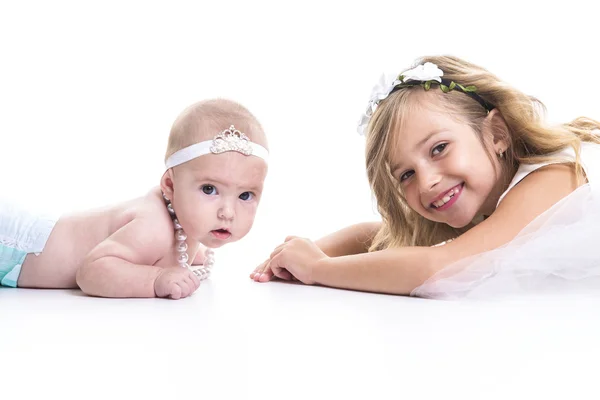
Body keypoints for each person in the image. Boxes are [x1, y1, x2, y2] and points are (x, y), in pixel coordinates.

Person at [250, 55, 600, 299]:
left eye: (438, 149)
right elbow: (379, 237)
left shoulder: (555, 176)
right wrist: (308, 254)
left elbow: (441, 266)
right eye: (406, 175)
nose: (427, 181)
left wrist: (317, 269)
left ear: (497, 134)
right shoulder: (492, 201)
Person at [1, 98, 269, 299]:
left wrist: (185, 253)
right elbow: (91, 271)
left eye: (245, 195)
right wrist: (156, 278)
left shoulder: (184, 224)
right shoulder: (152, 227)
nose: (227, 212)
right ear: (170, 185)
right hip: (16, 248)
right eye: (209, 189)